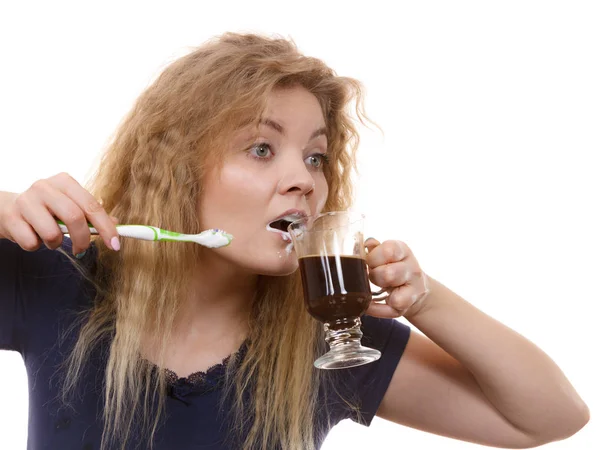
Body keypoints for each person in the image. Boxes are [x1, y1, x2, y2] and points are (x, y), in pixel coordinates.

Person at [0, 32, 589, 450]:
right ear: (175, 167)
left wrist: (425, 300)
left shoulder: (330, 345)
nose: (304, 180)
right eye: (262, 148)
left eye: (316, 157)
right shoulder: (55, 278)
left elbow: (550, 417)